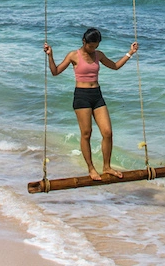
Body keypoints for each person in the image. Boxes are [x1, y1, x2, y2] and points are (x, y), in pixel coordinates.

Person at [44, 27, 139, 181]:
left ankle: (107, 167)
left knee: (107, 132)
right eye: (91, 46)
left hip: (97, 95)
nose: (93, 49)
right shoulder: (73, 55)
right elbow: (55, 72)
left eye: (96, 46)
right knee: (86, 134)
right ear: (84, 42)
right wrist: (50, 55)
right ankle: (91, 168)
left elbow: (114, 66)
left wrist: (130, 53)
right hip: (81, 97)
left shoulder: (98, 55)